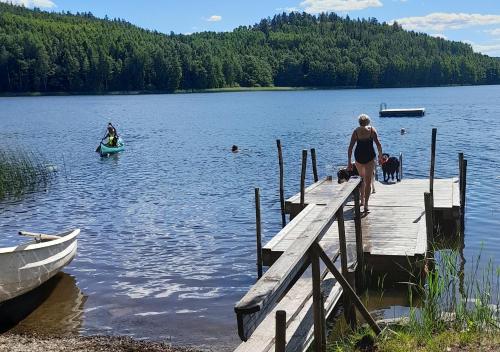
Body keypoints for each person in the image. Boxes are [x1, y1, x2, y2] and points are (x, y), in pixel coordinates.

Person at [347, 114, 383, 212]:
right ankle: (366, 205)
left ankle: (362, 201)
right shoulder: (372, 130)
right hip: (370, 157)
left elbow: (350, 148)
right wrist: (380, 157)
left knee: (361, 179)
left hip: (358, 157)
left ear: (359, 122)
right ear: (368, 122)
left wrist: (349, 162)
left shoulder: (356, 132)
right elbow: (379, 145)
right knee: (368, 182)